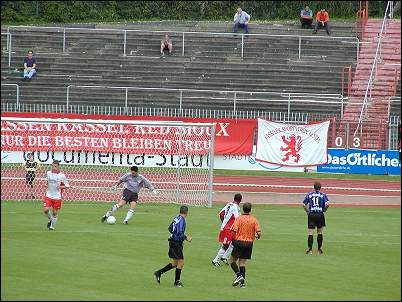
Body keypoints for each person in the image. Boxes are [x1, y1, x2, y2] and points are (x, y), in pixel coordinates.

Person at [154, 205, 192, 287]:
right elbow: (179, 232)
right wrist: (186, 238)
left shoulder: (176, 218)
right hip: (176, 243)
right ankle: (177, 282)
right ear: (187, 212)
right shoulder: (182, 220)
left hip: (172, 242)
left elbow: (170, 228)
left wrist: (174, 236)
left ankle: (158, 273)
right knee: (181, 263)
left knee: (175, 263)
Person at [229, 202, 261, 289]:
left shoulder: (239, 219)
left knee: (232, 261)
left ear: (243, 209)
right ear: (250, 210)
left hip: (239, 242)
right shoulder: (254, 220)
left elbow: (233, 230)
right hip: (249, 244)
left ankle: (239, 275)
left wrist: (232, 241)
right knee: (242, 263)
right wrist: (257, 236)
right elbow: (259, 233)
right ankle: (242, 284)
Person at [212, 193, 242, 267]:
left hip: (228, 228)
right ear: (240, 200)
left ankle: (224, 257)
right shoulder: (235, 207)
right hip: (228, 229)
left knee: (234, 243)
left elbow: (221, 214)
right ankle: (215, 260)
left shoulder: (229, 204)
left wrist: (224, 223)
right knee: (226, 245)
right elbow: (237, 218)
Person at [302, 181, 330, 255]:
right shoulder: (323, 195)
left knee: (310, 232)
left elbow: (303, 204)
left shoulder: (309, 194)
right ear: (320, 188)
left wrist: (307, 212)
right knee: (320, 232)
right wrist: (324, 210)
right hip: (320, 214)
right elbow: (327, 204)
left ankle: (310, 250)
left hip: (312, 214)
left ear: (314, 187)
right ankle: (319, 250)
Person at [43, 160, 69, 230]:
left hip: (57, 197)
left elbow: (67, 185)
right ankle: (50, 219)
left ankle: (52, 225)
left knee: (54, 213)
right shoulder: (48, 173)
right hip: (49, 195)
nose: (53, 168)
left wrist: (61, 187)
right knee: (45, 210)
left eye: (55, 166)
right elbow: (47, 181)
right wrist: (46, 185)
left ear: (58, 166)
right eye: (52, 166)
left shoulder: (62, 175)